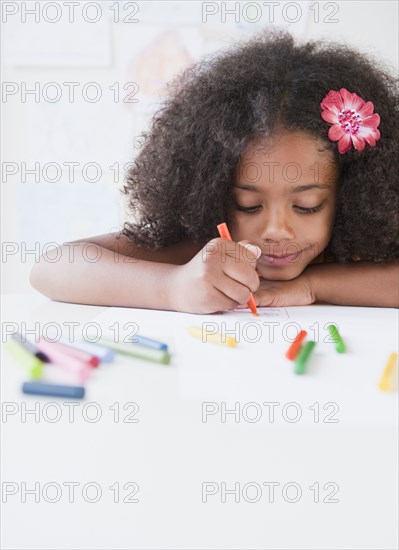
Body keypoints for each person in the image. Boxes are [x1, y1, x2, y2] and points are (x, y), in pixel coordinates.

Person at [30, 30, 399, 311]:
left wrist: (315, 285)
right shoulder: (208, 249)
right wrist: (172, 287)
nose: (275, 231)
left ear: (351, 193)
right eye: (248, 205)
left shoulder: (361, 245)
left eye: (307, 205)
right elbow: (52, 267)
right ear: (212, 190)